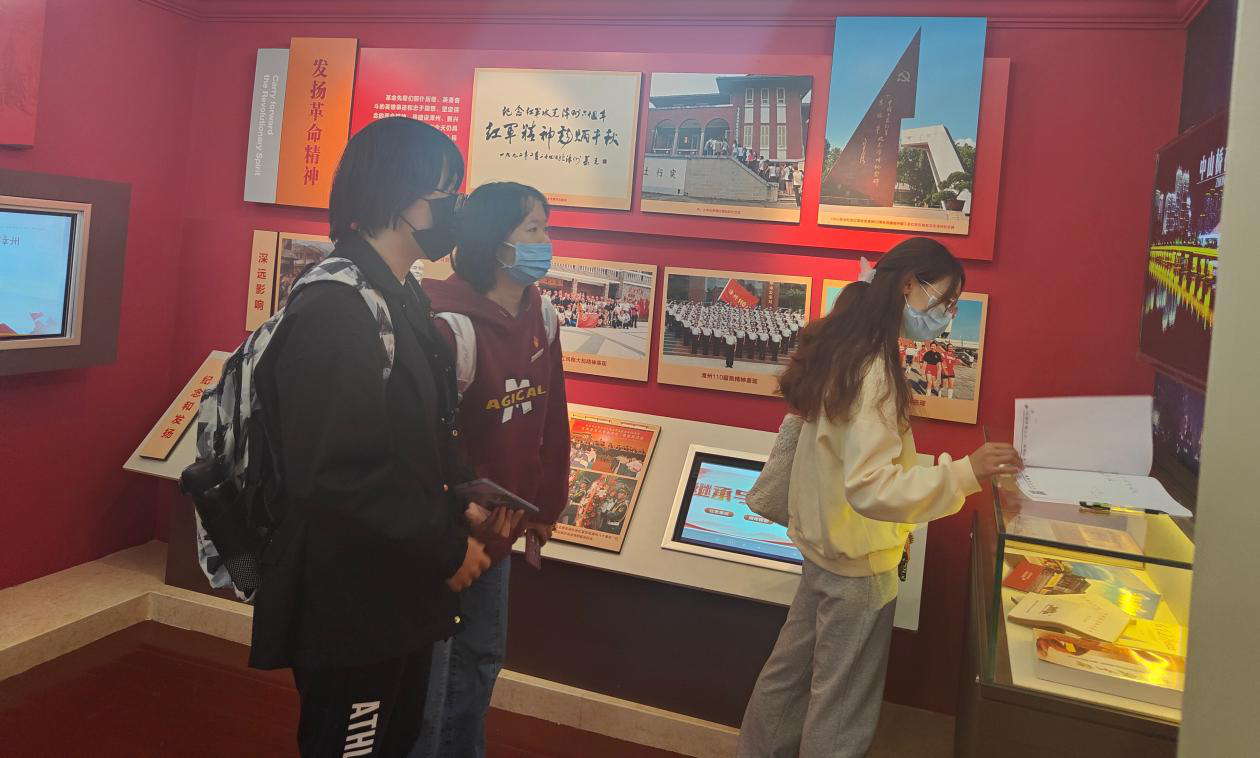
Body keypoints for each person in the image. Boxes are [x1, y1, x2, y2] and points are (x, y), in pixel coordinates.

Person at [249, 117, 495, 758]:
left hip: (395, 584)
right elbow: (336, 469)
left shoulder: (400, 293)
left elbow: (419, 430)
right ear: (396, 197)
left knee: (396, 737)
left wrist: (461, 495)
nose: (455, 210)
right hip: (352, 597)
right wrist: (446, 546)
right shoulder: (336, 307)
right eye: (445, 194)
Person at [737, 237, 1023, 758]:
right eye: (945, 300)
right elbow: (872, 486)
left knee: (788, 679)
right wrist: (964, 473)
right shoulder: (875, 369)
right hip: (857, 566)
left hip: (822, 551)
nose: (947, 315)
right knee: (841, 707)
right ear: (910, 286)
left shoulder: (843, 349)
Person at [416, 182, 571, 758]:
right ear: (494, 241)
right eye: (532, 229)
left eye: (545, 228)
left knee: (482, 661)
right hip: (444, 531)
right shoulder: (446, 324)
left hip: (501, 526)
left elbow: (552, 415)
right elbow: (422, 443)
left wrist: (546, 506)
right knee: (431, 672)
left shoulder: (541, 313)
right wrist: (452, 517)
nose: (544, 242)